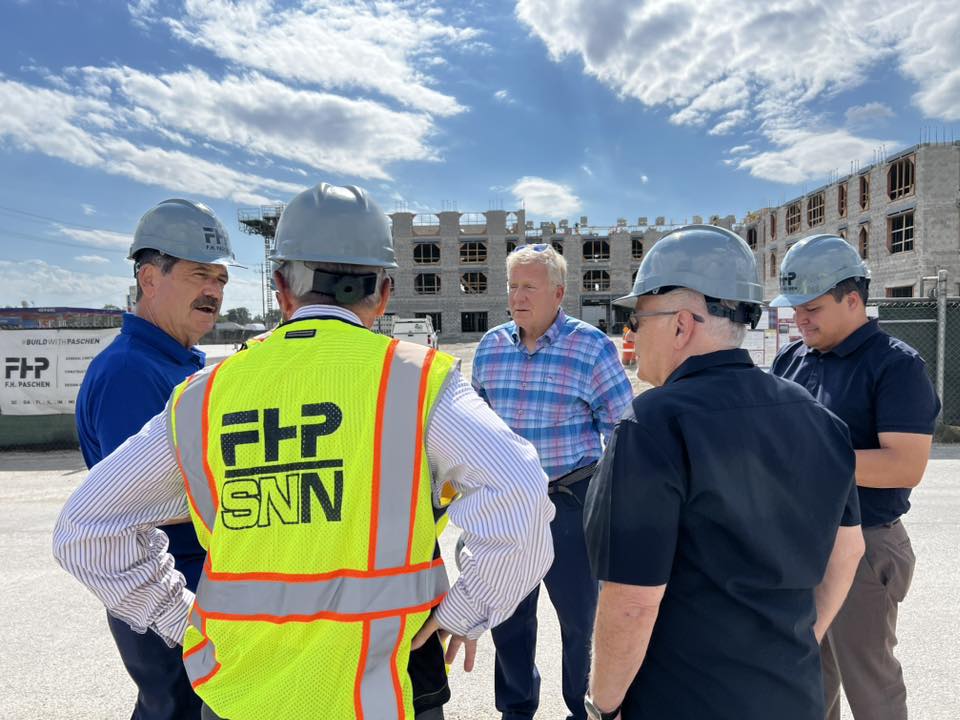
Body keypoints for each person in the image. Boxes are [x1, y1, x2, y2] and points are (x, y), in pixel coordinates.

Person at [54, 183, 556, 720]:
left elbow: (85, 530)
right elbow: (521, 492)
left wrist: (181, 619)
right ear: (384, 292)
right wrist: (466, 610)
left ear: (280, 290)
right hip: (381, 690)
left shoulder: (204, 395)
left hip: (240, 694)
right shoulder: (415, 382)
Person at [582, 224, 865, 720]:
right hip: (791, 694)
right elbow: (849, 550)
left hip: (683, 700)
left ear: (681, 324)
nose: (630, 332)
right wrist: (793, 643)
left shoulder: (653, 424)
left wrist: (602, 706)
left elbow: (632, 601)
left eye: (637, 318)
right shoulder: (822, 421)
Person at [74, 198, 235, 720]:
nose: (213, 291)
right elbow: (136, 505)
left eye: (220, 279)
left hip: (192, 587)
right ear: (149, 278)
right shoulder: (129, 373)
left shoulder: (175, 365)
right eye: (198, 275)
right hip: (165, 592)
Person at [769, 234, 941, 720]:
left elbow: (904, 465)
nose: (800, 318)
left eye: (813, 307)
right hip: (801, 542)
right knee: (807, 679)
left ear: (853, 299)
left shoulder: (895, 365)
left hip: (865, 543)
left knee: (870, 685)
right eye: (795, 307)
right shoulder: (794, 359)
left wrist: (811, 458)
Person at [472, 243, 633, 720]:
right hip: (507, 506)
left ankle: (582, 709)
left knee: (582, 621)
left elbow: (622, 429)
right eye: (512, 286)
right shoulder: (491, 347)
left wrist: (617, 504)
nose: (517, 296)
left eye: (529, 287)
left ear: (558, 293)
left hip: (570, 500)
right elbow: (475, 425)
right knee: (509, 617)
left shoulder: (592, 347)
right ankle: (516, 709)